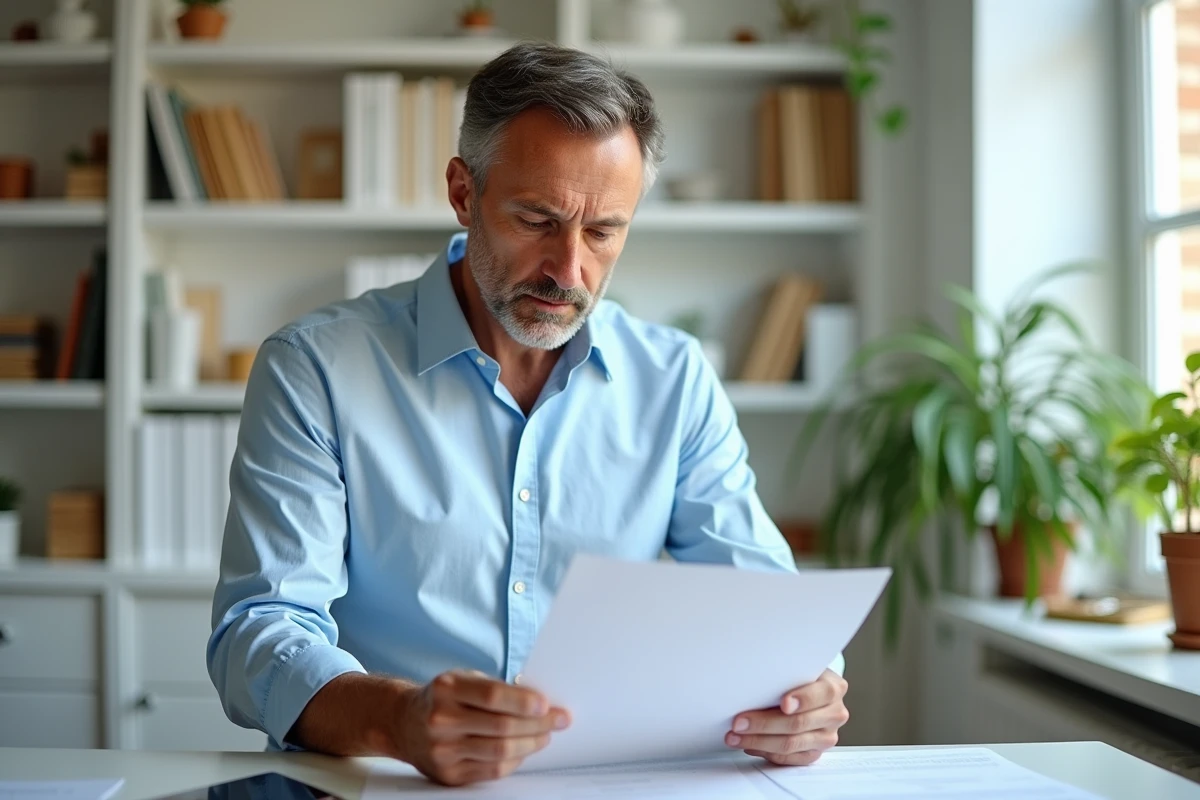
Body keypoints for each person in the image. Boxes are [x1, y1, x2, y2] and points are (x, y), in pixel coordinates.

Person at [207, 41, 848, 787]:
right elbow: (257, 633)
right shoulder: (315, 367)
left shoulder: (674, 380)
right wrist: (399, 720)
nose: (569, 270)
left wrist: (809, 690)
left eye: (604, 231)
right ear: (462, 191)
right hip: (386, 784)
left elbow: (765, 608)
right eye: (537, 219)